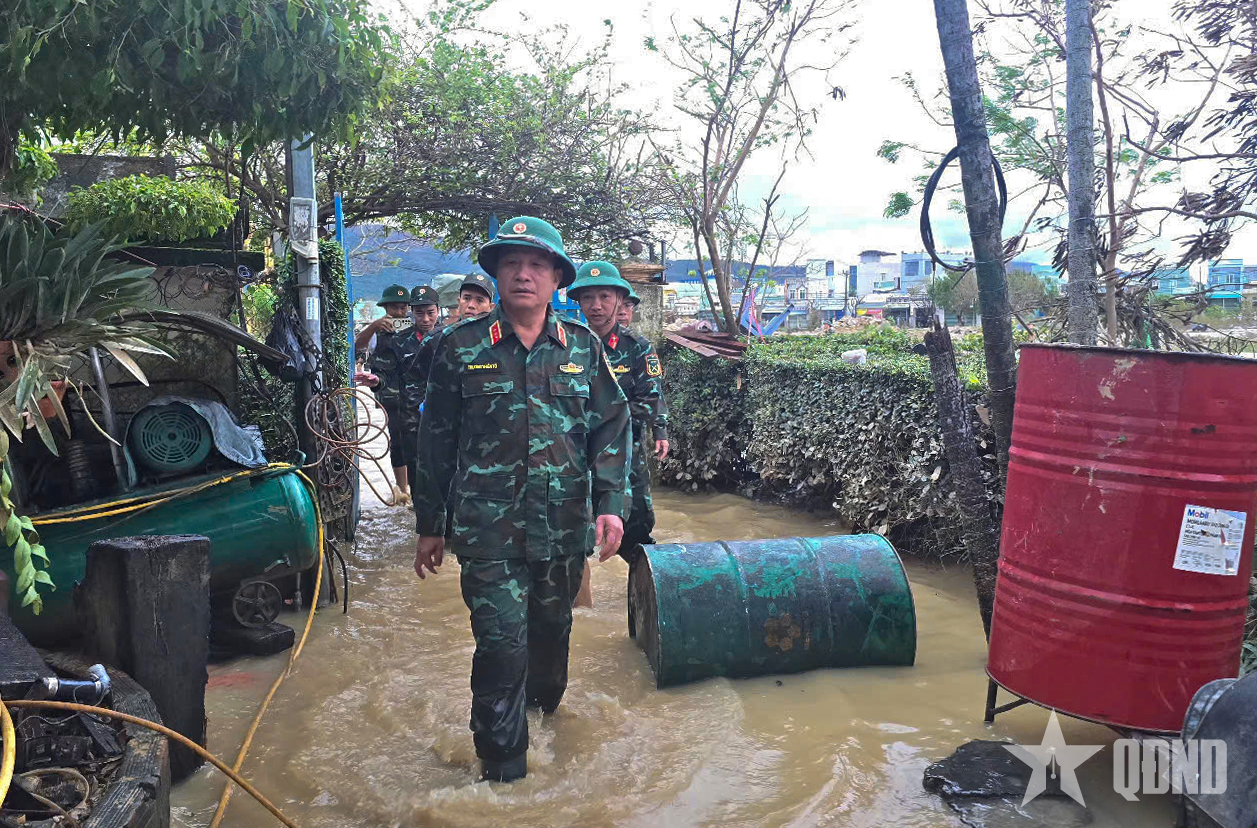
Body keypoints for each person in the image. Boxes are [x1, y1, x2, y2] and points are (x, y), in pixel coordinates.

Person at [411, 216, 630, 783]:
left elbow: (611, 426)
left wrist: (612, 504)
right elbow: (433, 440)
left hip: (563, 526)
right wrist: (429, 524)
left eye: (536, 265)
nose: (523, 275)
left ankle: (545, 719)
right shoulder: (458, 348)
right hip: (488, 531)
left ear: (558, 277)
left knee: (551, 638)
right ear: (497, 275)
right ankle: (503, 772)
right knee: (502, 647)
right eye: (511, 264)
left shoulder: (581, 348)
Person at [568, 262, 669, 606]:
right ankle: (583, 615)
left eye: (604, 296)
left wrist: (652, 428)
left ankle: (654, 600)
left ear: (619, 301)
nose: (596, 305)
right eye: (588, 297)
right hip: (575, 456)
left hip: (626, 454)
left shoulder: (637, 347)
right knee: (575, 536)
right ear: (578, 302)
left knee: (636, 529)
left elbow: (650, 397)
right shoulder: (566, 345)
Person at [355, 284, 416, 503]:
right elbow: (358, 346)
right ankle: (402, 491)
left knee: (417, 438)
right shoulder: (376, 331)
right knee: (397, 438)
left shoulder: (417, 326)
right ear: (385, 308)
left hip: (414, 392)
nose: (399, 313)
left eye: (403, 308)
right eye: (394, 308)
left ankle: (416, 488)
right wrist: (373, 326)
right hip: (387, 392)